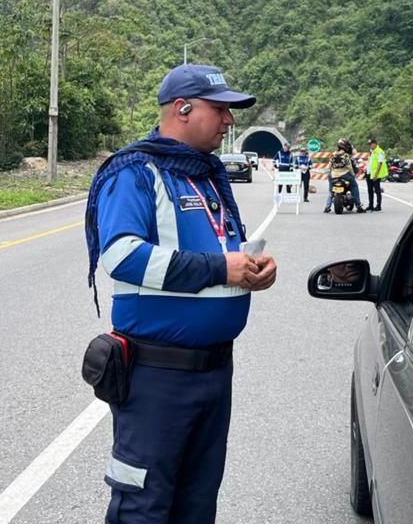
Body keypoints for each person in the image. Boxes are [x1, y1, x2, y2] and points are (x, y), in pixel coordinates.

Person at [84, 63, 277, 524]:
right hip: (156, 376)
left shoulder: (208, 176)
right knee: (143, 504)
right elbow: (122, 256)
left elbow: (222, 249)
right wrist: (220, 267)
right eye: (220, 109)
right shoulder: (135, 171)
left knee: (197, 503)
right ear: (182, 108)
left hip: (214, 371)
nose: (230, 120)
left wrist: (251, 269)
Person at [324, 138, 365, 213]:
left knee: (331, 190)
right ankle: (358, 206)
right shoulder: (346, 155)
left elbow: (329, 166)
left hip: (333, 175)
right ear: (345, 147)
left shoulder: (332, 154)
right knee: (354, 186)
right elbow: (349, 167)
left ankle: (327, 206)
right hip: (344, 175)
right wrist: (353, 175)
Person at [365, 137, 388, 211]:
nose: (369, 146)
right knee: (370, 190)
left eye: (370, 144)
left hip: (375, 175)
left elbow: (380, 164)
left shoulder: (380, 152)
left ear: (374, 144)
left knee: (377, 190)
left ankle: (378, 206)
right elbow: (370, 163)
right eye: (369, 145)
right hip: (369, 173)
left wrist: (376, 175)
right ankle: (370, 205)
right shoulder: (372, 152)